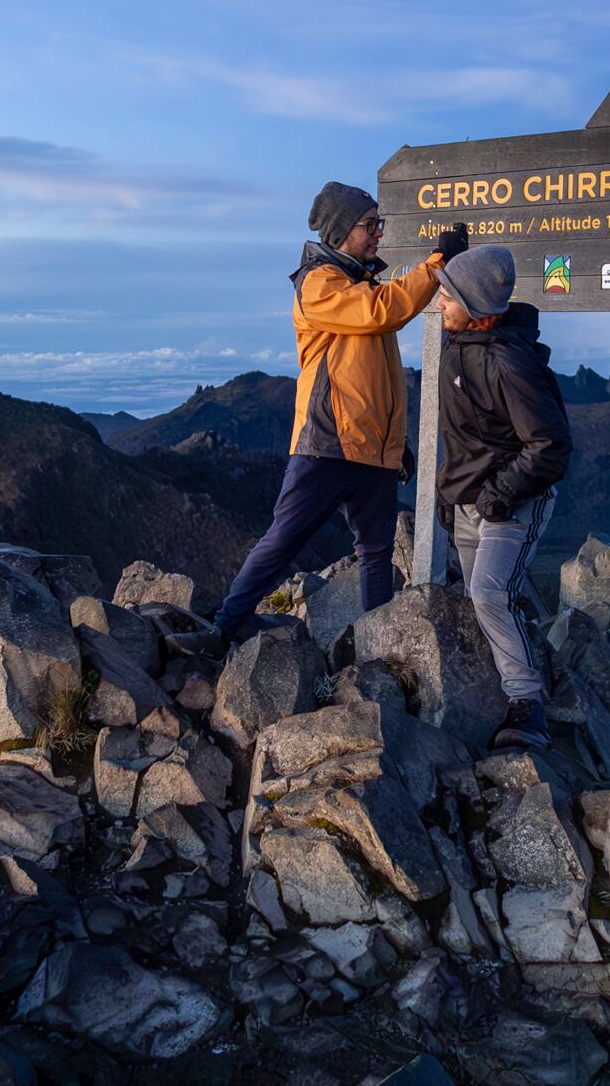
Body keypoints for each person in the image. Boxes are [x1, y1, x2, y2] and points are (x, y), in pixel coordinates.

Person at [206, 183, 467, 640]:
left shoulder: (357, 280)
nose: (378, 234)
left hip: (370, 447)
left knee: (376, 552)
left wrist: (396, 443)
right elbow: (382, 311)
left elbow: (375, 378)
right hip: (326, 441)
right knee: (287, 537)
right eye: (370, 225)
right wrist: (437, 263)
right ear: (342, 229)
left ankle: (377, 644)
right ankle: (227, 624)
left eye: (378, 224)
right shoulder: (319, 283)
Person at [429, 244, 573, 749]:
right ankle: (517, 679)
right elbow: (466, 439)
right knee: (485, 598)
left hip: (515, 502)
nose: (439, 303)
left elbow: (550, 447)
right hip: (472, 502)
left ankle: (527, 705)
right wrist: (451, 495)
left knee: (490, 593)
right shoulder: (461, 344)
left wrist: (499, 492)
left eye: (447, 295)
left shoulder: (510, 364)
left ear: (474, 305)